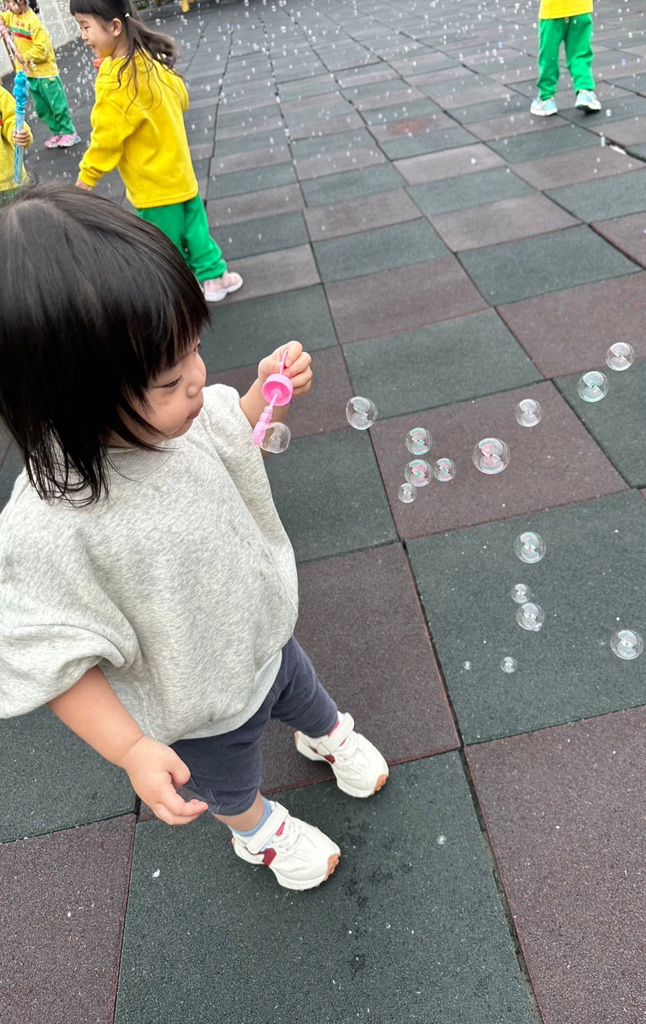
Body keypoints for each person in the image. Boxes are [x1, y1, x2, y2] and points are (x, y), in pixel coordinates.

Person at [0, 184, 389, 891]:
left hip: (265, 639)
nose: (199, 382)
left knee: (305, 693)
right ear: (72, 398)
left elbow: (234, 433)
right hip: (198, 705)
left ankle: (326, 735)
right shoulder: (51, 525)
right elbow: (56, 660)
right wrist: (131, 749)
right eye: (170, 377)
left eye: (196, 351)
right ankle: (258, 833)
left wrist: (265, 396)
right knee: (230, 785)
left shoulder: (184, 417)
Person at [71, 0, 242, 303]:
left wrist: (86, 178)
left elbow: (106, 138)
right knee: (195, 229)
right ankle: (214, 278)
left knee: (165, 245)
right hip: (180, 173)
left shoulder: (116, 80)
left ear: (115, 27)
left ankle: (176, 294)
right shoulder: (151, 61)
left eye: (85, 26)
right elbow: (182, 98)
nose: (83, 36)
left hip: (153, 185)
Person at [0, 0, 80, 148]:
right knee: (42, 109)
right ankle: (57, 132)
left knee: (57, 105)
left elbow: (42, 49)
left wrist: (25, 57)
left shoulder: (33, 23)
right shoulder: (12, 16)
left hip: (45, 74)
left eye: (9, 2)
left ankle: (69, 132)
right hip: (30, 75)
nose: (7, 7)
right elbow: (2, 18)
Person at [529, 0, 601, 117]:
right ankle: (585, 91)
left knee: (549, 55)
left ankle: (546, 98)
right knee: (580, 53)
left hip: (553, 10)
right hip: (580, 8)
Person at [0, 82, 32, 201]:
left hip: (8, 180)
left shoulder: (1, 95)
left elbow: (12, 119)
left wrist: (18, 132)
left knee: (19, 209)